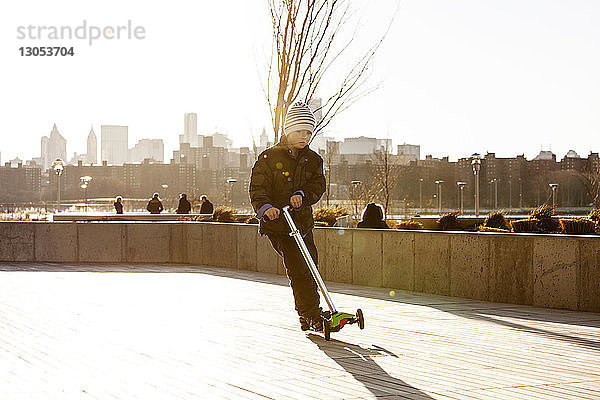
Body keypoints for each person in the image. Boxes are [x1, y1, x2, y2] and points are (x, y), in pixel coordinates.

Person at [249, 101, 326, 332]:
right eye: (300, 131)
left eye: (309, 132)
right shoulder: (268, 158)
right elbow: (257, 189)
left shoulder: (313, 160)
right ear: (288, 130)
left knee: (310, 265)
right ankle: (310, 313)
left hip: (302, 222)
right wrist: (266, 208)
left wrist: (302, 195)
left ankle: (309, 314)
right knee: (297, 267)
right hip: (279, 224)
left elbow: (318, 185)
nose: (305, 136)